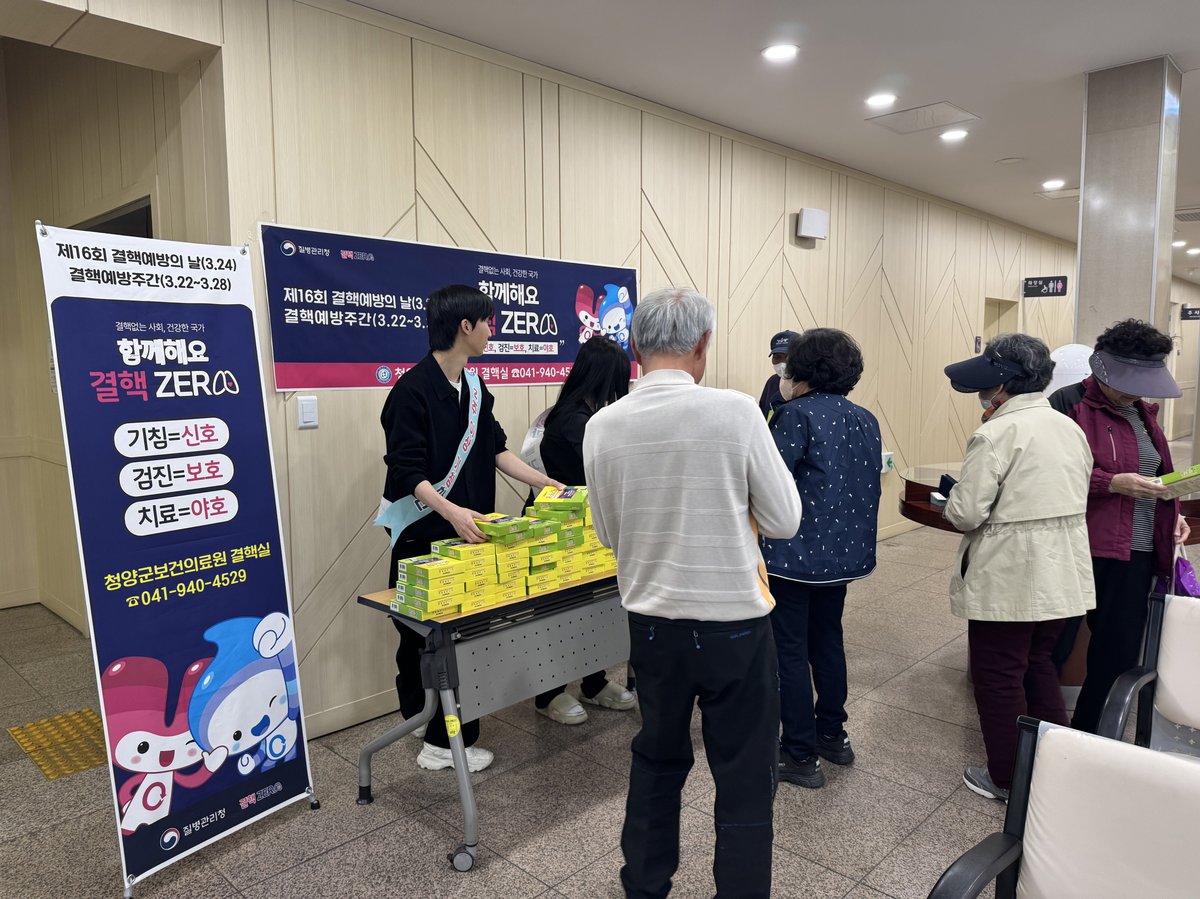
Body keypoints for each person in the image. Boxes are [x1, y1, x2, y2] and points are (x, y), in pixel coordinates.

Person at [583, 287, 802, 899]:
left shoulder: (601, 426)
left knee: (656, 758)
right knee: (745, 774)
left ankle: (645, 884)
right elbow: (784, 520)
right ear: (703, 345)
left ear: (635, 345)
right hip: (734, 624)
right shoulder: (736, 411)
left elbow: (607, 532)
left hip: (651, 625)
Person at [379, 284, 559, 772]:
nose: (491, 330)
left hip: (472, 534)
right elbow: (406, 471)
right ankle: (436, 740)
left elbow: (496, 449)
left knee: (462, 636)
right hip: (424, 535)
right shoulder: (411, 391)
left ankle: (440, 727)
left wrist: (544, 482)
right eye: (487, 321)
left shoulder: (475, 388)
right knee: (421, 636)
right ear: (465, 326)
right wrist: (452, 512)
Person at [942, 334, 1095, 801]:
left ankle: (1009, 778)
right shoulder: (1069, 428)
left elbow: (966, 513)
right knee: (1038, 664)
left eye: (986, 384)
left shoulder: (995, 433)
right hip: (1063, 571)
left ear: (1003, 384)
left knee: (999, 675)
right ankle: (1056, 769)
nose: (982, 394)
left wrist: (952, 497)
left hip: (1009, 575)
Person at [1047, 319, 1190, 734]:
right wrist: (1109, 483)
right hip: (1080, 546)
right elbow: (1048, 472)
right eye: (1127, 382)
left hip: (1137, 552)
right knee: (1051, 646)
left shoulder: (1145, 415)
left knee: (1117, 652)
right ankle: (1038, 736)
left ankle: (1092, 736)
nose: (1134, 391)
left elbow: (1156, 474)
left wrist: (1174, 512)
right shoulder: (1067, 404)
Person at [760, 329, 881, 789]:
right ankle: (833, 735)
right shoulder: (865, 418)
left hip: (793, 557)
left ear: (801, 369)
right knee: (828, 641)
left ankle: (799, 754)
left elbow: (769, 485)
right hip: (843, 555)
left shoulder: (794, 416)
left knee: (789, 651)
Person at [530, 336, 638, 725]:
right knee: (560, 614)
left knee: (594, 610)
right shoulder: (574, 420)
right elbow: (608, 469)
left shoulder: (588, 413)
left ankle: (593, 683)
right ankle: (548, 694)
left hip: (590, 529)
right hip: (562, 531)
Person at [758, 329, 799, 418]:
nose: (783, 363)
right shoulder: (772, 382)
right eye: (777, 357)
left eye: (789, 357)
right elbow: (762, 414)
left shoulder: (808, 385)